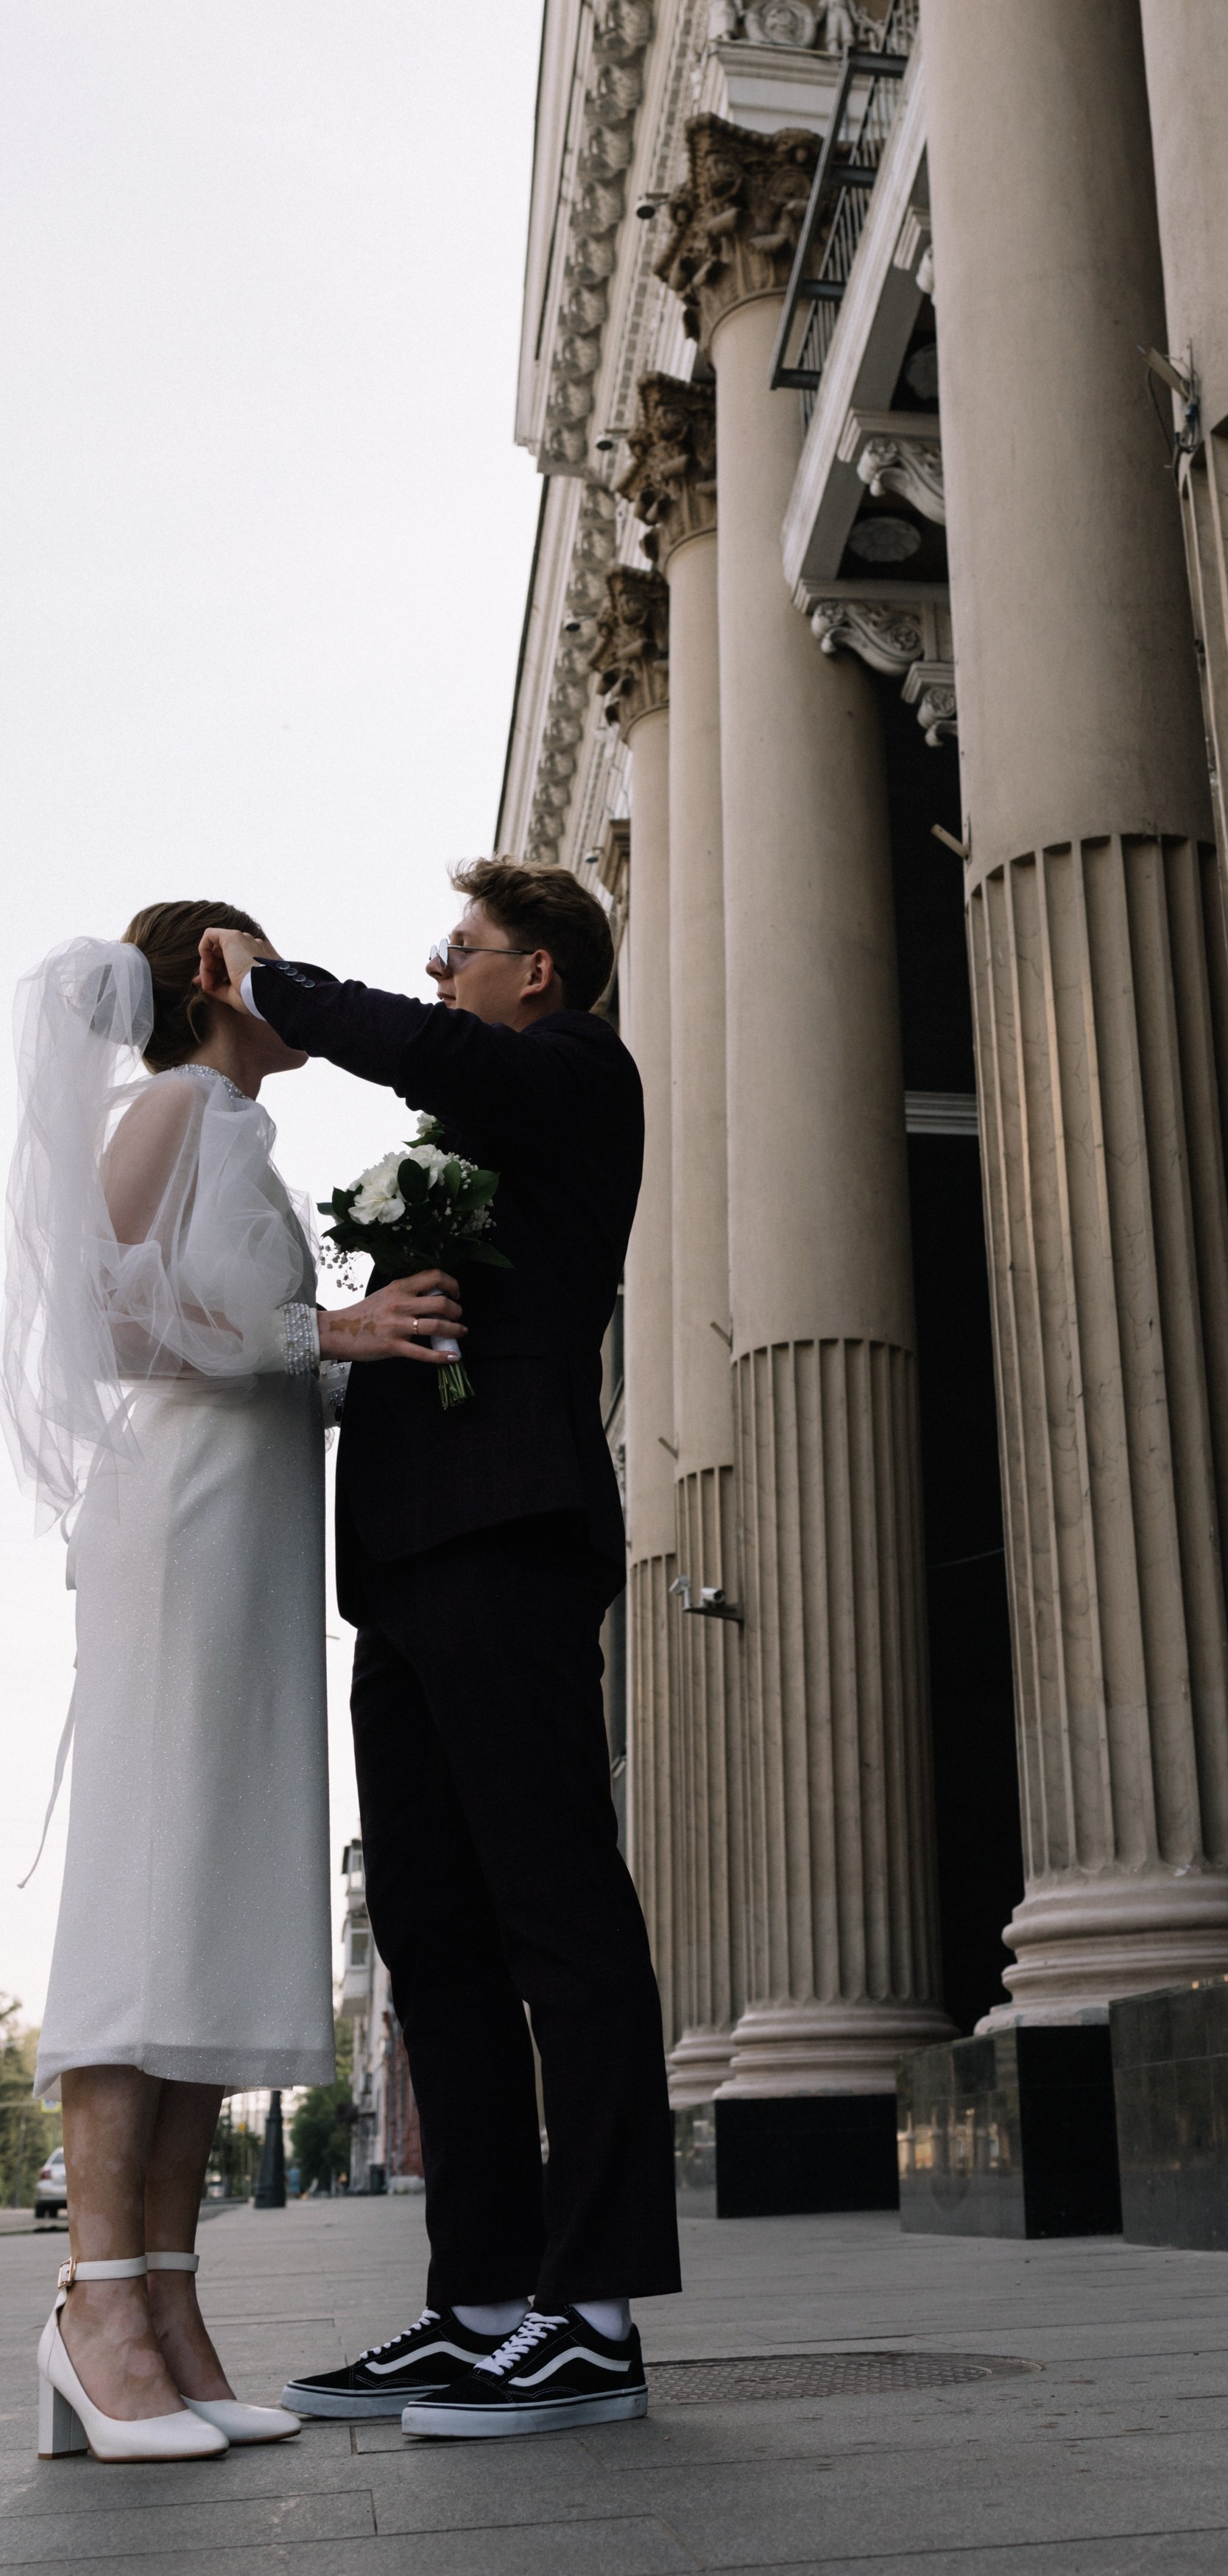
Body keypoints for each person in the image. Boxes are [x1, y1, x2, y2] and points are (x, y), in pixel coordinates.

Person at [198, 857, 680, 2444]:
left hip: (509, 1533)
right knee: (430, 1928)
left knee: (557, 1909)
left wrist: (276, 984)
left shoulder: (570, 1073)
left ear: (537, 970)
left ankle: (592, 2315)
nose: (443, 968)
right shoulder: (478, 1134)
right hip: (404, 1558)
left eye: (461, 950)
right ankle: (479, 2304)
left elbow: (436, 1051)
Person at [2, 905, 465, 2467]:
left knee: (204, 1898)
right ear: (211, 974)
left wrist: (363, 1350)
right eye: (262, 960)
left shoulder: (241, 1129)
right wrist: (324, 1324)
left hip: (255, 1542)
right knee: (149, 1893)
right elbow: (105, 1310)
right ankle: (93, 2310)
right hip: (182, 1532)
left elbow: (255, 1347)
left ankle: (172, 2310)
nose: (293, 986)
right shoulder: (174, 1106)